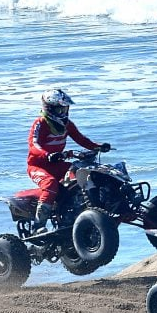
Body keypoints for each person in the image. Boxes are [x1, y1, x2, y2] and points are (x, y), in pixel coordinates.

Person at [27, 88, 111, 233]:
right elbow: (33, 145)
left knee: (80, 172)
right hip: (38, 166)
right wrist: (47, 154)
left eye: (65, 108)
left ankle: (75, 208)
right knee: (50, 184)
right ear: (50, 109)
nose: (64, 112)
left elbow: (81, 139)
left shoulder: (67, 124)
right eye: (61, 109)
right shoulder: (40, 123)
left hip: (57, 164)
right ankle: (38, 225)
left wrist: (98, 146)